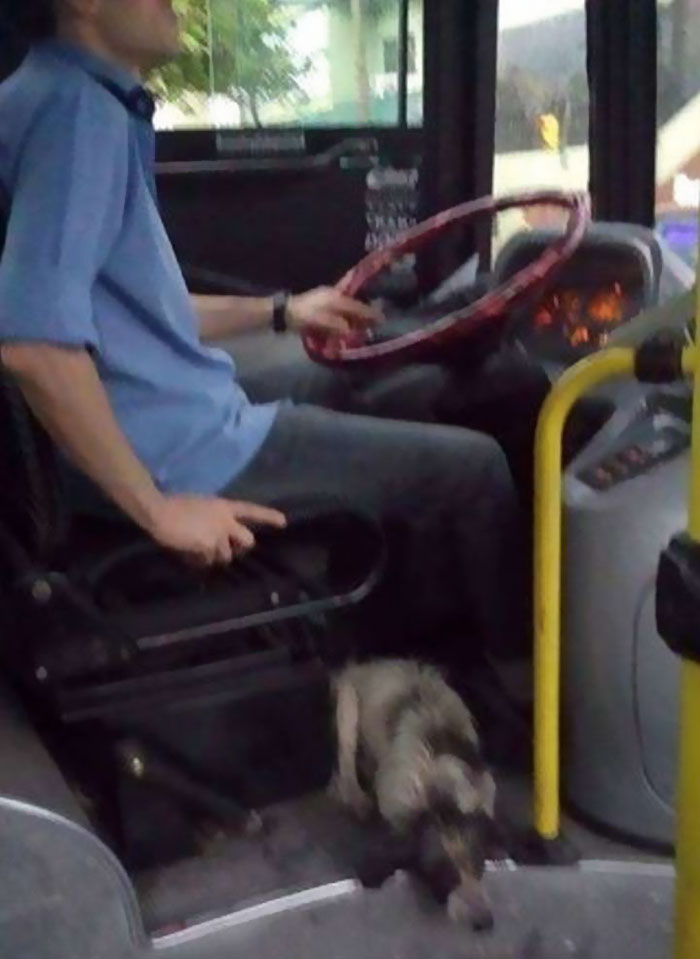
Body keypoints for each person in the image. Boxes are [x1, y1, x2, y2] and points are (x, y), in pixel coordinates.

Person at [0, 0, 530, 664]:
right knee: (475, 469)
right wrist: (160, 511)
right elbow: (33, 341)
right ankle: (525, 697)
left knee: (346, 372)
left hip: (152, 409)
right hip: (178, 446)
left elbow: (137, 307)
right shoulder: (81, 117)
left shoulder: (41, 93)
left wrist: (284, 311)